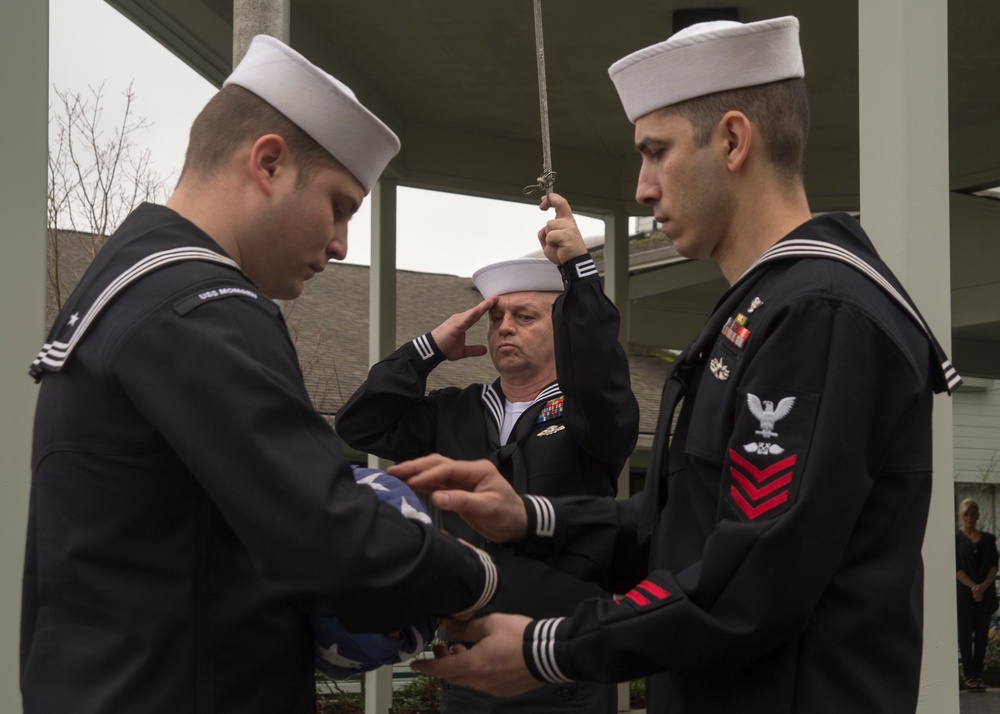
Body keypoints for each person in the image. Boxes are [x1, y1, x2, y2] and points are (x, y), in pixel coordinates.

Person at [388, 15, 964, 714]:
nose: (642, 188)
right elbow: (688, 531)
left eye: (655, 152)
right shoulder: (773, 307)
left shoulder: (818, 313)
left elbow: (750, 579)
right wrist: (532, 517)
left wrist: (553, 648)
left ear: (731, 140)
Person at [21, 35, 497, 714]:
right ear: (269, 163)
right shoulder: (201, 305)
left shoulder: (130, 284)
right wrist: (472, 574)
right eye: (339, 206)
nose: (340, 244)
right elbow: (328, 541)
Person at [335, 197, 639, 713]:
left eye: (525, 316)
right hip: (470, 671)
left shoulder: (588, 414)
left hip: (562, 669)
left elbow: (602, 376)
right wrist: (428, 348)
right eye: (496, 316)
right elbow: (362, 423)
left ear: (562, 330)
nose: (504, 327)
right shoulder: (454, 411)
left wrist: (578, 274)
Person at [956, 498, 999, 691]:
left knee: (982, 636)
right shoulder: (955, 540)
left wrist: (983, 587)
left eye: (973, 514)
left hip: (985, 595)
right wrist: (974, 587)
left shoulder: (989, 540)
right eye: (966, 514)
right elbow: (956, 569)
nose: (970, 517)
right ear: (961, 516)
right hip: (964, 597)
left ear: (978, 515)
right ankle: (969, 676)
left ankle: (978, 675)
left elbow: (993, 566)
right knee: (965, 636)